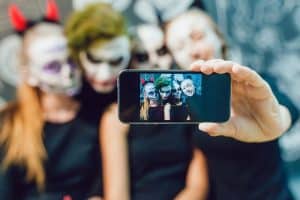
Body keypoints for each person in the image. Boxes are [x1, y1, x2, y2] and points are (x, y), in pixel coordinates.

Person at [65, 2, 209, 199]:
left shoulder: (190, 103)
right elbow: (117, 194)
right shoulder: (117, 115)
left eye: (161, 51)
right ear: (131, 63)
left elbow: (198, 186)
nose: (155, 62)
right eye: (142, 56)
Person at [166, 8, 299, 199]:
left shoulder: (253, 83)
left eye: (197, 36)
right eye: (179, 47)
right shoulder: (184, 106)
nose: (193, 51)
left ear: (219, 37)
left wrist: (275, 122)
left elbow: (287, 111)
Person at [0, 1, 102, 199]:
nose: (68, 72)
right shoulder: (9, 125)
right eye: (53, 66)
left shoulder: (97, 112)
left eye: (71, 59)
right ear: (29, 74)